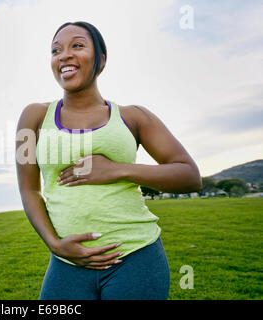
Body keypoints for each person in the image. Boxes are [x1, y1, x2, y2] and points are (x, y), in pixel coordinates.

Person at [15, 21, 202, 300]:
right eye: (56, 50)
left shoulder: (132, 116)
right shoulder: (33, 117)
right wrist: (54, 244)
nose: (64, 55)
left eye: (77, 45)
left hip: (135, 257)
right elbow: (29, 189)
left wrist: (117, 170)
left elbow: (189, 176)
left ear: (101, 60)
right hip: (67, 264)